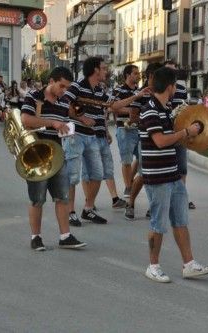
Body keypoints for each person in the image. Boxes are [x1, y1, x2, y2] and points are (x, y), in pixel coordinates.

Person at [140, 66, 208, 283]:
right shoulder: (150, 109)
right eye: (175, 86)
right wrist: (185, 132)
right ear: (170, 86)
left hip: (172, 174)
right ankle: (153, 266)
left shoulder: (165, 109)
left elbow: (171, 138)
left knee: (180, 220)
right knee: (158, 223)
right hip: (158, 176)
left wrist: (188, 134)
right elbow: (160, 141)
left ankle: (189, 264)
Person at [63, 57, 148, 226]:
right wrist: (82, 117)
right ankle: (70, 212)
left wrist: (137, 96)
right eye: (103, 68)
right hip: (76, 136)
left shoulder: (99, 90)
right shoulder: (77, 86)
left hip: (93, 136)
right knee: (72, 176)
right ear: (95, 70)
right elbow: (65, 103)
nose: (106, 71)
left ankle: (88, 209)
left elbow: (114, 106)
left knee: (97, 174)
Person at [20, 66, 86, 251]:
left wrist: (65, 130)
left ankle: (65, 236)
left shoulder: (64, 101)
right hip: (36, 154)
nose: (64, 91)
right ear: (51, 82)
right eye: (61, 86)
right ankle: (36, 237)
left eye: (66, 87)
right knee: (37, 199)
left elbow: (60, 124)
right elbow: (26, 120)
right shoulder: (33, 97)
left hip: (56, 152)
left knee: (62, 197)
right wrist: (53, 123)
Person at [124, 62, 162, 220]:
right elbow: (133, 117)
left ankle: (153, 206)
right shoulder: (142, 94)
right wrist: (151, 121)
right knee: (143, 174)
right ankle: (131, 203)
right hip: (145, 138)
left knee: (158, 174)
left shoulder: (162, 93)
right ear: (151, 77)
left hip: (161, 138)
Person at [163, 60, 196, 210]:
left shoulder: (182, 89)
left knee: (182, 168)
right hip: (164, 133)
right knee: (164, 169)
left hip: (180, 133)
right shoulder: (158, 88)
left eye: (174, 72)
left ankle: (182, 197)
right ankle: (161, 201)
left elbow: (186, 109)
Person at [112, 64, 141, 199]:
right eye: (135, 73)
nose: (138, 75)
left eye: (138, 73)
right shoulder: (118, 90)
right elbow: (113, 107)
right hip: (125, 129)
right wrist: (131, 111)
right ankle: (129, 187)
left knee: (142, 157)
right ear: (127, 75)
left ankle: (131, 181)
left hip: (139, 128)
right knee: (127, 160)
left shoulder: (139, 91)